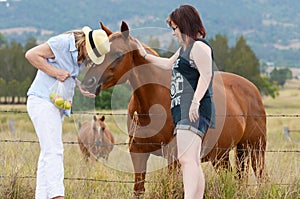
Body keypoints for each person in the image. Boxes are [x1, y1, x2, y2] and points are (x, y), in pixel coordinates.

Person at [136, 4, 216, 199]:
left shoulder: (199, 47)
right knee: (192, 160)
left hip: (192, 109)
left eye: (174, 28)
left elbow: (206, 75)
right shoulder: (185, 50)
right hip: (185, 109)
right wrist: (144, 54)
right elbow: (167, 64)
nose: (173, 33)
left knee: (186, 159)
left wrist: (196, 102)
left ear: (183, 25)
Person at [25, 26, 110, 199]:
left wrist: (79, 86)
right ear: (85, 43)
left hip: (57, 105)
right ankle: (58, 195)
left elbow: (67, 74)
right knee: (55, 151)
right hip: (43, 101)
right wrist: (55, 73)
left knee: (47, 153)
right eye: (91, 54)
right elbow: (31, 55)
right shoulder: (61, 43)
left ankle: (41, 196)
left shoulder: (78, 55)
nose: (89, 59)